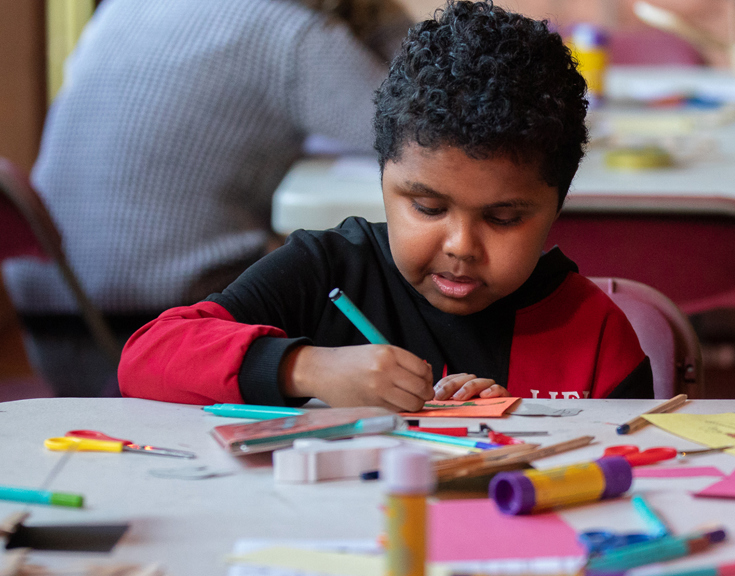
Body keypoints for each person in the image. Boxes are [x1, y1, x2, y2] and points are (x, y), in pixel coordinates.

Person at [118, 0, 654, 411]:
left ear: (556, 206)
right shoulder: (327, 272)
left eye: (503, 218)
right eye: (427, 208)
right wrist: (305, 369)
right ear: (383, 178)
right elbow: (146, 357)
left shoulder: (594, 332)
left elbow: (631, 479)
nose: (461, 247)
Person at [2, 0, 410, 397]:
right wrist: (380, 15)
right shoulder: (291, 35)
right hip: (160, 332)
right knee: (359, 273)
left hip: (50, 316)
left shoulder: (124, 8)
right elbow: (415, 126)